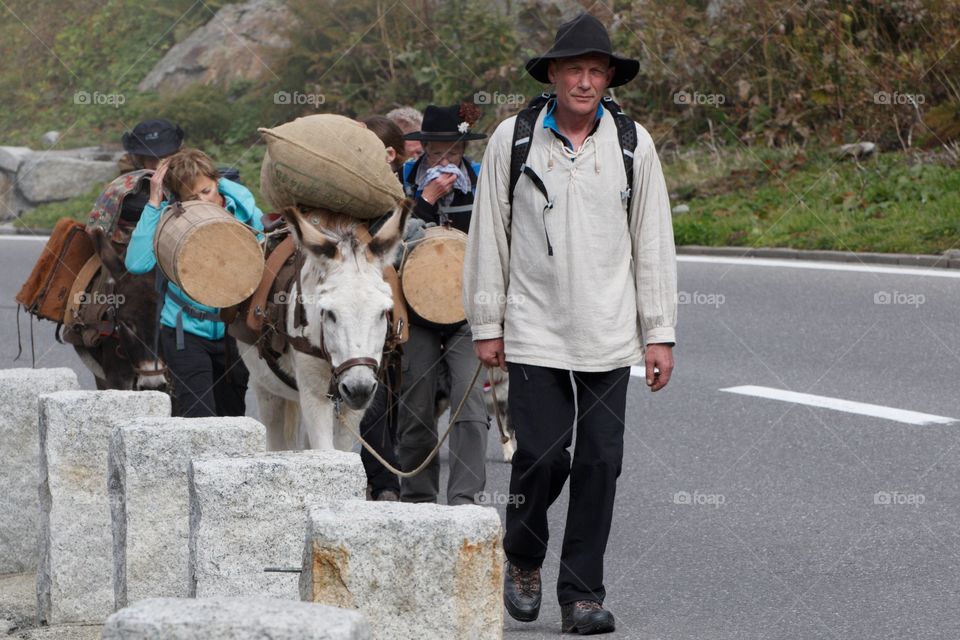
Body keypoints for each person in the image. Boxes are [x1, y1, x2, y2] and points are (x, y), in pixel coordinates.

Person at [463, 13, 678, 635]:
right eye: (574, 70)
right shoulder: (515, 137)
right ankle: (524, 557)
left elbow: (654, 240)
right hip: (534, 329)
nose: (585, 82)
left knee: (600, 463)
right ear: (553, 74)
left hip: (610, 334)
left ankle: (582, 593)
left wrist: (658, 332)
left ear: (608, 78)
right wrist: (487, 321)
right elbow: (489, 236)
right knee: (542, 456)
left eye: (596, 71)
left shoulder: (633, 143)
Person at [395, 103, 489, 505]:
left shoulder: (483, 181)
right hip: (416, 312)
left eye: (454, 153)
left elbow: (499, 240)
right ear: (423, 148)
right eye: (437, 153)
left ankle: (465, 501)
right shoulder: (401, 182)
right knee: (416, 405)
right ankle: (417, 498)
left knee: (471, 407)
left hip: (466, 312)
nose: (446, 161)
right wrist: (427, 199)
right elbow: (393, 244)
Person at [125, 148, 264, 418]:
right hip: (184, 331)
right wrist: (154, 202)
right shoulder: (172, 219)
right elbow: (136, 263)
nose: (203, 202)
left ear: (217, 184)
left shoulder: (245, 214)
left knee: (232, 417)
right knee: (197, 417)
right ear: (179, 200)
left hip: (234, 331)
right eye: (192, 198)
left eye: (207, 191)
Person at [356, 114, 409, 501]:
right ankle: (382, 480)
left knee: (393, 392)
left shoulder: (399, 196)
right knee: (367, 381)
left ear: (390, 154)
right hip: (359, 305)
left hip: (403, 301)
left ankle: (386, 475)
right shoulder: (345, 189)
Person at [118, 118, 184, 173]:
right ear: (141, 160)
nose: (157, 166)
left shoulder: (187, 175)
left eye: (163, 157)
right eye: (151, 159)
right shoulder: (128, 175)